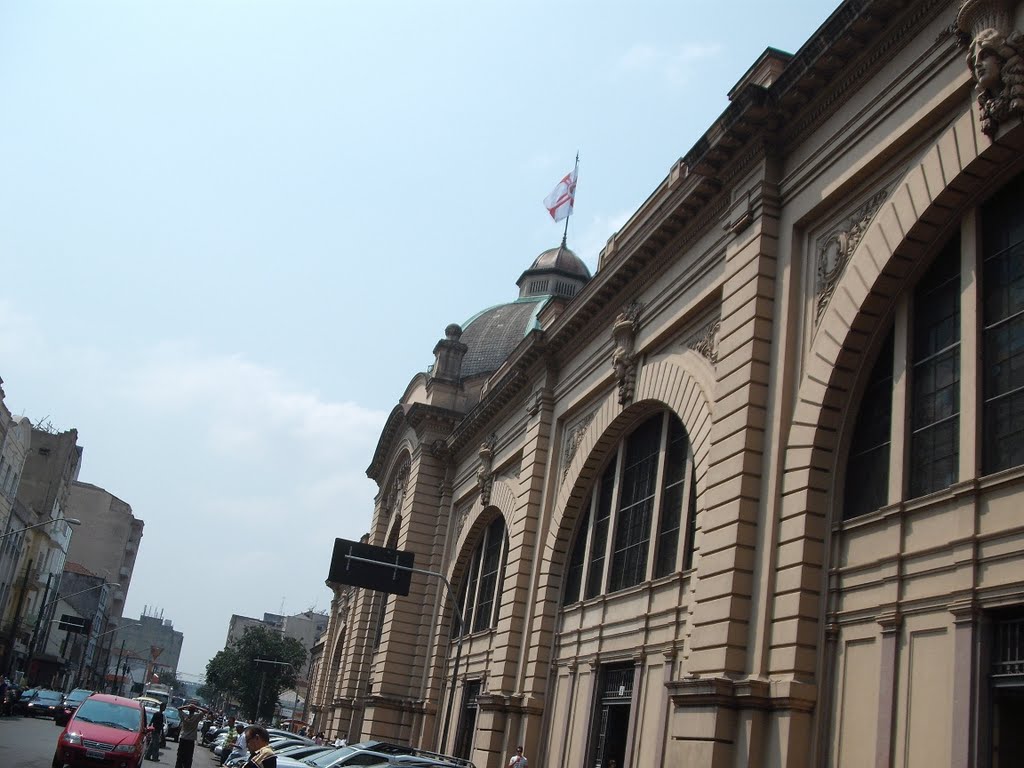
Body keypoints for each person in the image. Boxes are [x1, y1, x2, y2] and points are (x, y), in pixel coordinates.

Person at [174, 701, 210, 768]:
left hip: (183, 738)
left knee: (180, 756)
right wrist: (196, 707)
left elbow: (179, 708)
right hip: (190, 740)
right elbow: (205, 711)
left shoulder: (184, 716)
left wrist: (188, 706)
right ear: (194, 711)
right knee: (188, 757)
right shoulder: (196, 717)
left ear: (188, 710)